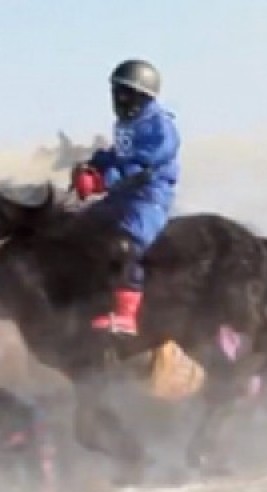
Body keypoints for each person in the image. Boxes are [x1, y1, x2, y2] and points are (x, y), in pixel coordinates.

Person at [72, 59, 181, 335]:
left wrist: (100, 181)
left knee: (125, 245)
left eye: (124, 92)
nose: (117, 99)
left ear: (142, 96)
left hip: (148, 199)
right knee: (81, 226)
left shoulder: (159, 127)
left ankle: (126, 316)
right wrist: (93, 165)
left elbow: (140, 167)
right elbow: (118, 155)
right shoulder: (124, 123)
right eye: (115, 92)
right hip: (123, 196)